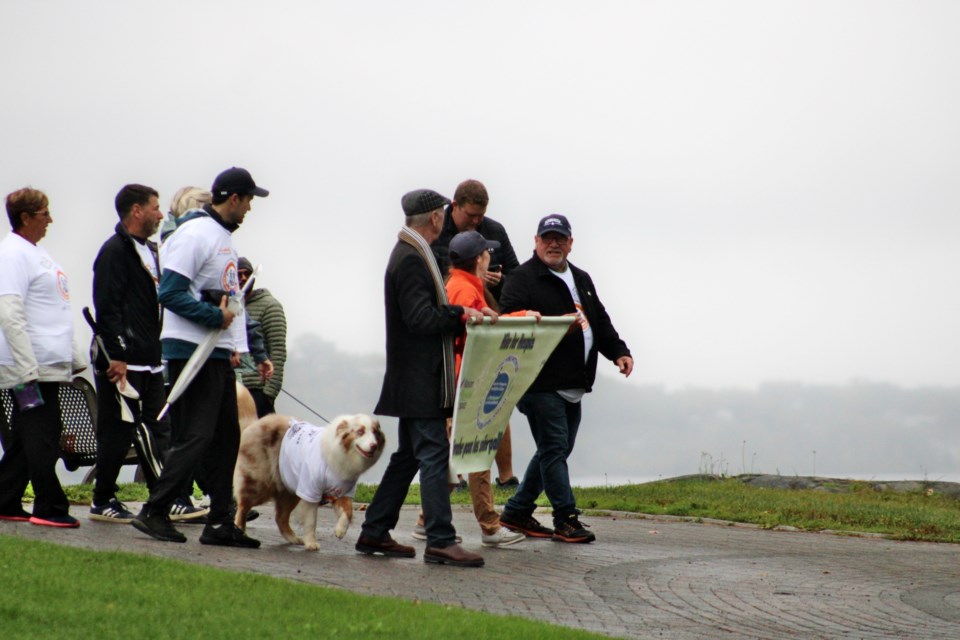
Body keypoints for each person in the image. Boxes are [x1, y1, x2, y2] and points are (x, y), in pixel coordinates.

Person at [131, 167, 269, 547]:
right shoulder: (194, 235)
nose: (250, 209)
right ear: (234, 199)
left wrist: (239, 348)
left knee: (226, 437)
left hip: (216, 353)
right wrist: (213, 316)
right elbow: (171, 293)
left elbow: (232, 299)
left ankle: (220, 521)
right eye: (249, 201)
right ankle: (155, 510)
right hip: (190, 351)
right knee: (196, 435)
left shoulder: (222, 238)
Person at [355, 189, 493, 568]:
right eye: (443, 213)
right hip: (420, 378)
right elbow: (419, 319)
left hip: (413, 377)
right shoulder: (413, 258)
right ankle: (440, 539)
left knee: (407, 457)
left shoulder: (409, 251)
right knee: (432, 454)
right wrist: (459, 315)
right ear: (435, 218)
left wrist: (454, 311)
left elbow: (422, 312)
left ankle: (375, 529)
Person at [497, 214, 633, 544]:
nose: (553, 244)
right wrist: (555, 325)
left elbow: (598, 319)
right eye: (548, 238)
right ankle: (566, 518)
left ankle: (517, 511)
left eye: (560, 238)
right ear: (536, 241)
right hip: (537, 381)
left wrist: (618, 351)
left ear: (571, 243)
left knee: (555, 449)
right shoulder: (522, 278)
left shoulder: (582, 278)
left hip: (574, 381)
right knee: (554, 447)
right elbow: (508, 321)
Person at [412, 230, 537, 548]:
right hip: (465, 384)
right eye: (486, 254)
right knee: (476, 451)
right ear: (479, 259)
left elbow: (488, 324)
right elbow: (479, 333)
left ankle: (428, 519)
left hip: (462, 382)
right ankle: (490, 528)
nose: (490, 258)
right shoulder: (465, 291)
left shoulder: (463, 285)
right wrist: (521, 319)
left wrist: (520, 317)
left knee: (459, 456)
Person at [0, 187, 86, 528]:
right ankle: (49, 506)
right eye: (44, 214)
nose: (50, 219)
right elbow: (10, 311)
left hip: (49, 364)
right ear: (25, 217)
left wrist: (72, 355)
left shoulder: (36, 253)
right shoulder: (12, 255)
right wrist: (25, 367)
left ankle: (5, 498)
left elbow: (55, 309)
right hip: (30, 367)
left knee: (26, 437)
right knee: (44, 437)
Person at [432, 179, 522, 488]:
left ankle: (505, 475)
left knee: (498, 399)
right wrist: (477, 281)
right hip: (452, 331)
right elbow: (441, 282)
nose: (476, 222)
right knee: (454, 408)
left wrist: (497, 285)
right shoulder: (438, 229)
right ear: (454, 207)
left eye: (480, 217)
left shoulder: (494, 229)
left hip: (490, 319)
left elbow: (515, 272)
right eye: (470, 217)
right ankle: (453, 475)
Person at [89, 184, 170, 523]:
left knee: (159, 427)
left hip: (149, 359)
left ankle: (166, 498)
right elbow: (107, 307)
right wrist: (118, 355)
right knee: (120, 431)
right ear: (136, 211)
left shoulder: (150, 250)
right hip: (122, 360)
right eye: (155, 207)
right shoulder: (113, 252)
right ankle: (103, 497)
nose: (160, 213)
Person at [237, 257, 286, 417]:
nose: (243, 278)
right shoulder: (228, 305)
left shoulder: (270, 306)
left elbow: (278, 352)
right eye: (239, 274)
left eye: (247, 274)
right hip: (233, 388)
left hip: (257, 390)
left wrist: (268, 395)